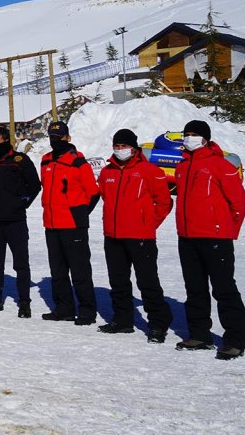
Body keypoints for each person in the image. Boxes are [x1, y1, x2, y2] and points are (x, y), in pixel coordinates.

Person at [173, 120, 245, 360]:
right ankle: (200, 334)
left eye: (195, 134)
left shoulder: (221, 165)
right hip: (187, 237)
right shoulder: (183, 166)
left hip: (215, 238)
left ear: (205, 138)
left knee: (224, 289)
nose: (190, 138)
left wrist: (228, 231)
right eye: (187, 134)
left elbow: (238, 202)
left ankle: (237, 338)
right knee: (194, 289)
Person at [97, 129, 173, 342]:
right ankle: (122, 320)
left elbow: (164, 202)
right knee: (118, 282)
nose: (120, 150)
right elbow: (105, 197)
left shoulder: (150, 170)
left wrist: (147, 225)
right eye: (117, 146)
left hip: (141, 237)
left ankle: (158, 323)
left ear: (134, 147)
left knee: (147, 282)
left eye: (124, 146)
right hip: (113, 236)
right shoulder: (107, 172)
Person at [0, 126, 41, 317]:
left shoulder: (19, 160)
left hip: (15, 220)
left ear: (6, 141)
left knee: (21, 264)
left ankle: (24, 302)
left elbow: (35, 185)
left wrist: (22, 203)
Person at [39, 121, 99, 325]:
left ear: (68, 138)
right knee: (57, 271)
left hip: (73, 225)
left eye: (59, 137)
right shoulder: (46, 161)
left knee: (80, 271)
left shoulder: (78, 163)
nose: (55, 141)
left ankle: (87, 311)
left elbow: (93, 192)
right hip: (52, 224)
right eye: (52, 137)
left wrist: (79, 214)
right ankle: (64, 308)